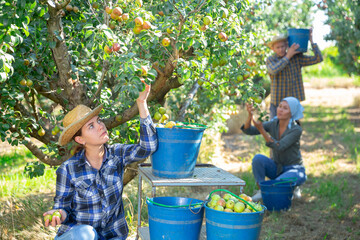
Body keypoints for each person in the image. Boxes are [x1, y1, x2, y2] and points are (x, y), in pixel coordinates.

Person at [43, 83, 158, 240]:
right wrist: (57, 214)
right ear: (80, 139)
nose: (100, 126)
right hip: (80, 236)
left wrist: (142, 103)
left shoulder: (117, 155)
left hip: (112, 235)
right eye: (91, 126)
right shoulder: (68, 169)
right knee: (87, 234)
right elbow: (62, 207)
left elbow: (148, 147)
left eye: (99, 121)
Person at [241, 97, 307, 202]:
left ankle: (291, 187)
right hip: (277, 168)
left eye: (285, 108)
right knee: (258, 159)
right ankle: (262, 190)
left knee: (279, 182)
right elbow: (248, 130)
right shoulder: (274, 123)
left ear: (292, 112)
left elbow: (279, 146)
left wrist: (262, 130)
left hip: (294, 170)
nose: (280, 110)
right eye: (280, 106)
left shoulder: (296, 129)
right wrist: (250, 115)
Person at [266, 29, 323, 119]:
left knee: (294, 130)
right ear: (273, 49)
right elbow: (273, 70)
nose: (281, 49)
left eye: (282, 46)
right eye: (277, 47)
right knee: (275, 130)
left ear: (287, 45)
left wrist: (311, 40)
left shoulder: (296, 58)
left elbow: (318, 58)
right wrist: (288, 56)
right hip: (277, 103)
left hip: (292, 103)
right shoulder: (271, 59)